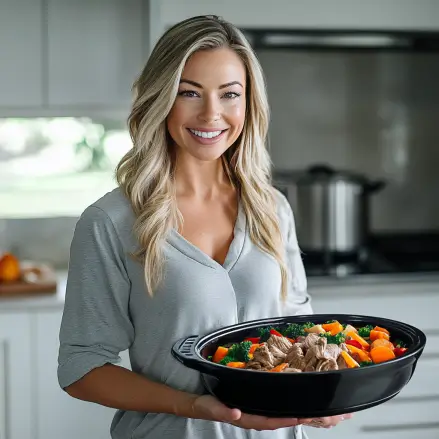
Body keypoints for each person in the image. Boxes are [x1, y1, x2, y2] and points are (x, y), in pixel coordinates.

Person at [57, 15, 352, 439]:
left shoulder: (271, 208)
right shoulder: (110, 222)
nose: (212, 114)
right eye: (189, 92)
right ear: (161, 99)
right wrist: (193, 405)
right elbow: (81, 368)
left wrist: (328, 391)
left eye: (229, 94)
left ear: (248, 103)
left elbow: (299, 329)